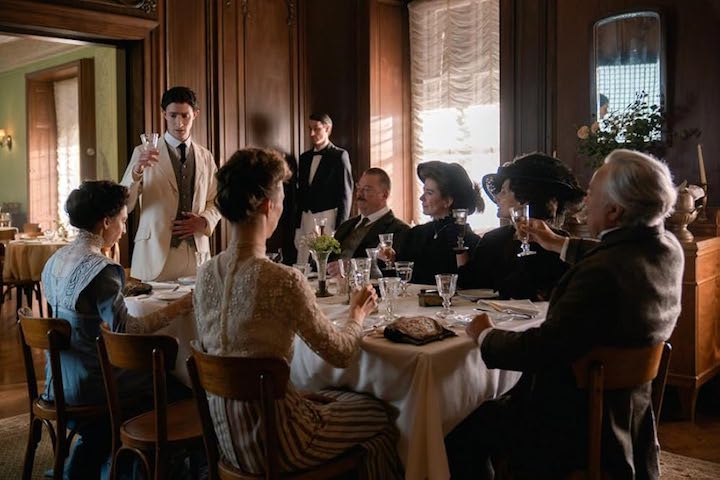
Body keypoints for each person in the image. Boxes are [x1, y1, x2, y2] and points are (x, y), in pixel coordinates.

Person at [446, 149, 684, 479]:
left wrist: (485, 333)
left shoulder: (600, 273)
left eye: (593, 195)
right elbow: (610, 254)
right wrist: (557, 243)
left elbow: (542, 349)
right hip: (630, 414)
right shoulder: (666, 248)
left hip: (568, 426)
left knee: (457, 425)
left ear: (614, 210)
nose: (585, 204)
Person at [194, 148, 404, 479]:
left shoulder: (205, 274)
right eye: (282, 197)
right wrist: (357, 314)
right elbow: (341, 353)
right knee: (383, 413)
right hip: (281, 442)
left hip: (228, 439)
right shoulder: (282, 279)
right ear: (268, 205)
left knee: (330, 396)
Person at [41, 180, 193, 479]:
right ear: (106, 222)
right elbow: (128, 329)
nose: (124, 230)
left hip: (56, 382)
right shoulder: (102, 269)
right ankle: (141, 467)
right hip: (90, 387)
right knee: (176, 385)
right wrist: (181, 306)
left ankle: (99, 464)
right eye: (122, 221)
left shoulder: (55, 259)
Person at [120, 86, 221, 281]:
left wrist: (204, 221)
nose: (179, 123)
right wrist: (137, 171)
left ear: (195, 114)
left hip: (196, 256)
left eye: (185, 116)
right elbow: (125, 204)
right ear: (164, 114)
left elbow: (217, 200)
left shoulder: (206, 156)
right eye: (173, 115)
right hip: (154, 255)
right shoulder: (142, 153)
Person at [457, 153, 586, 300]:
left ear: (524, 199)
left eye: (504, 191)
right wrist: (459, 241)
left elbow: (540, 293)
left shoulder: (557, 243)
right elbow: (468, 282)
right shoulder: (493, 239)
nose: (497, 197)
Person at [382, 161, 484, 285]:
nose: (421, 198)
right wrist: (390, 260)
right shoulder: (416, 234)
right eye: (424, 191)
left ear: (447, 201)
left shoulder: (470, 241)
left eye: (429, 193)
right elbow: (400, 281)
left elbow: (469, 285)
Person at [295, 112, 353, 264]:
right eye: (310, 129)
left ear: (327, 129)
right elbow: (300, 192)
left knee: (324, 262)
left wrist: (340, 228)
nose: (312, 133)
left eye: (316, 128)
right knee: (302, 260)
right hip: (306, 217)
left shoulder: (340, 155)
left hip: (327, 218)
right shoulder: (304, 158)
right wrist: (297, 224)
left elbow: (346, 194)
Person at [327, 167, 409, 275]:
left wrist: (352, 268)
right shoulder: (346, 225)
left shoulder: (399, 230)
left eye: (366, 189)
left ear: (384, 195)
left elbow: (391, 270)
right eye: (359, 188)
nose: (359, 194)